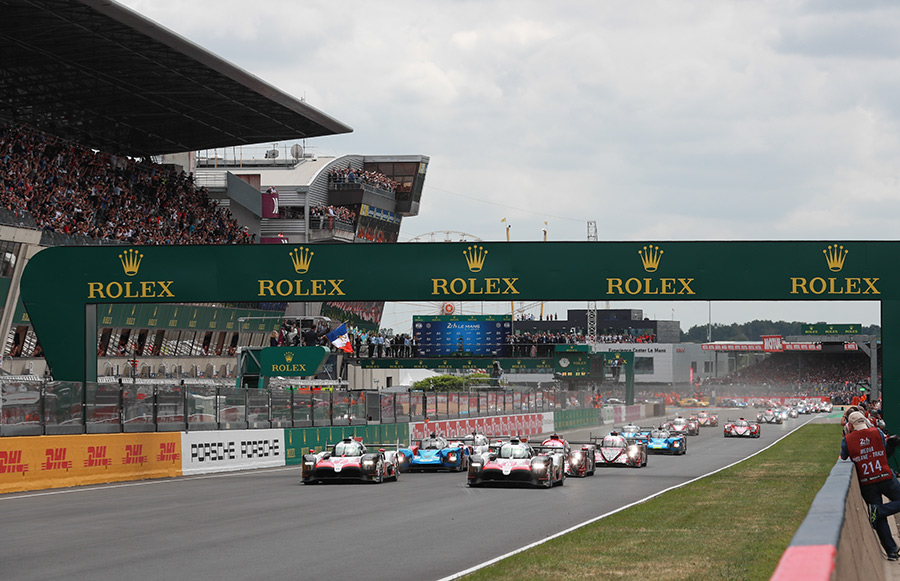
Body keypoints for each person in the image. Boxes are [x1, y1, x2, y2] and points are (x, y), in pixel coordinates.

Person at [841, 411, 900, 560]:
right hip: (885, 475)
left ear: (851, 426)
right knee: (883, 511)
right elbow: (884, 452)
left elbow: (843, 456)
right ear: (865, 421)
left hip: (866, 482)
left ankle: (892, 551)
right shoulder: (877, 432)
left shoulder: (847, 440)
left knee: (879, 519)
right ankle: (880, 510)